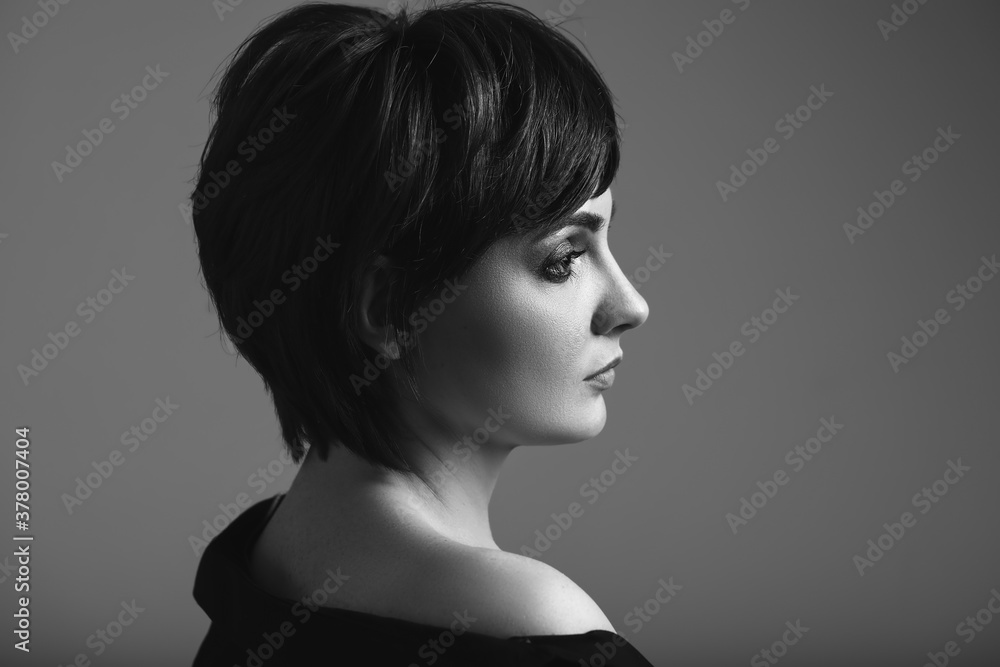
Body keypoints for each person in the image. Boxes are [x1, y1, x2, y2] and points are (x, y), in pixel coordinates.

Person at [188, 1, 653, 664]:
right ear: (387, 307)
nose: (631, 303)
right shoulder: (532, 622)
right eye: (563, 259)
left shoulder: (264, 559)